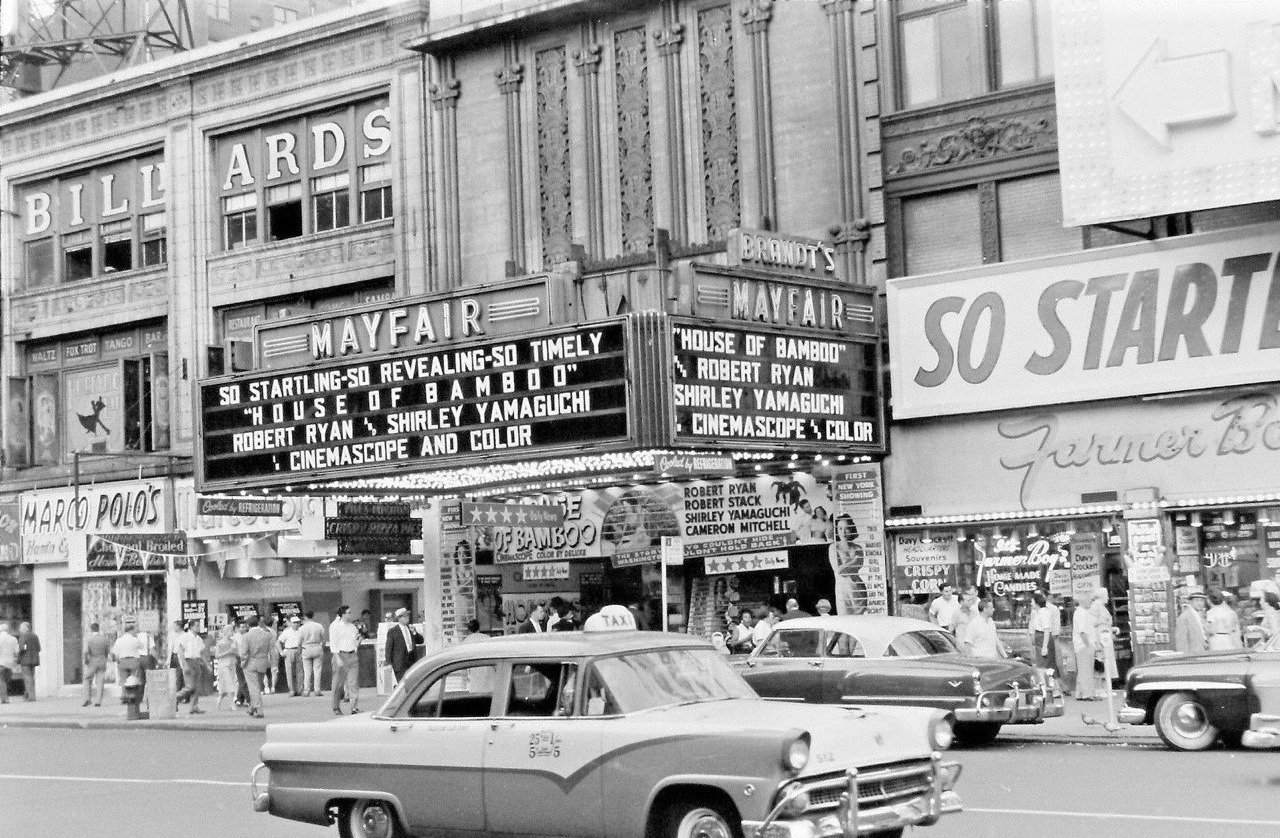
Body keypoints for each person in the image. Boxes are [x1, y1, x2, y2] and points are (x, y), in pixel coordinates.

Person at [330, 605, 362, 716]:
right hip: (341, 654)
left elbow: (354, 640)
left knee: (353, 683)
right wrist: (337, 657)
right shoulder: (335, 626)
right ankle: (335, 706)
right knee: (339, 683)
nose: (350, 614)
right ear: (342, 614)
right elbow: (333, 643)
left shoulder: (352, 627)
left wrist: (358, 642)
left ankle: (354, 707)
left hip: (352, 654)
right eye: (348, 612)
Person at [241, 615, 273, 718]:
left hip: (250, 662)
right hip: (263, 661)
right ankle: (252, 707)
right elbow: (270, 648)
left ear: (247, 625)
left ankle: (259, 709)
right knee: (258, 686)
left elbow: (243, 653)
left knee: (253, 687)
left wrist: (243, 664)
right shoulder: (267, 635)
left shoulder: (246, 636)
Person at [109, 620, 147, 707]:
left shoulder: (119, 640)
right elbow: (142, 646)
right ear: (131, 630)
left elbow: (114, 652)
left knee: (123, 680)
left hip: (122, 661)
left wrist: (117, 659)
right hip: (133, 661)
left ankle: (125, 696)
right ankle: (134, 696)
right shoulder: (134, 640)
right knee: (135, 679)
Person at [174, 621, 207, 715]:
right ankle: (174, 697)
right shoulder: (185, 637)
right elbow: (180, 652)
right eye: (196, 626)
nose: (198, 627)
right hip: (188, 660)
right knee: (190, 686)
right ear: (191, 627)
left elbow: (201, 652)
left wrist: (205, 663)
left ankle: (194, 706)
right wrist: (184, 665)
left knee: (196, 686)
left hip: (196, 661)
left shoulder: (198, 639)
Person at [1089, 588, 1118, 693]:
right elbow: (1092, 623)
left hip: (1105, 637)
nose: (1108, 598)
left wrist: (1112, 629)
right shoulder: (1096, 606)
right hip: (1100, 638)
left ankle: (1106, 688)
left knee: (1106, 661)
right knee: (1102, 661)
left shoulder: (1101, 606)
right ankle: (1100, 688)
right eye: (1106, 595)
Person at [384, 607, 422, 684]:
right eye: (405, 616)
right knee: (403, 684)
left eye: (408, 616)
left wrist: (414, 632)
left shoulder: (410, 628)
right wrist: (388, 662)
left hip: (411, 659)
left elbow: (420, 641)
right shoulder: (393, 631)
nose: (407, 618)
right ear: (399, 618)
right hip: (400, 662)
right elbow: (388, 648)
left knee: (413, 683)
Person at [1072, 598, 1099, 700]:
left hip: (1080, 645)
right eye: (1089, 600)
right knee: (1086, 671)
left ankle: (1079, 693)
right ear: (1082, 601)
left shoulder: (1078, 612)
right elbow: (1082, 632)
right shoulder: (1082, 614)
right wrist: (1088, 645)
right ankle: (1087, 694)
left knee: (1082, 670)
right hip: (1084, 645)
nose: (1090, 602)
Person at [1028, 592, 1060, 671]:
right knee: (1042, 664)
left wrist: (1045, 647)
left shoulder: (1043, 612)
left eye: (1032, 602)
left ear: (1037, 602)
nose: (1031, 604)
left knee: (1045, 665)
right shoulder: (1039, 612)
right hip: (1039, 640)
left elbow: (1047, 630)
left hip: (1043, 639)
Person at [81, 622, 111, 707]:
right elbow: (107, 651)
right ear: (98, 629)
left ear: (91, 629)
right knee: (100, 681)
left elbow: (86, 652)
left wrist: (86, 660)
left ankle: (87, 698)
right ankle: (98, 701)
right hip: (102, 661)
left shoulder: (89, 639)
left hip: (92, 661)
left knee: (87, 679)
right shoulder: (104, 639)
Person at [298, 611, 326, 697]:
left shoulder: (302, 628)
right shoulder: (319, 626)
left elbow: (299, 642)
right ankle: (317, 690)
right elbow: (324, 640)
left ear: (305, 617)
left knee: (307, 671)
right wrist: (322, 648)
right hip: (317, 647)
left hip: (306, 648)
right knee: (317, 670)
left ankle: (307, 690)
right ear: (313, 616)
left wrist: (300, 652)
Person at [214, 625, 239, 711]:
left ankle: (219, 699)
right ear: (226, 632)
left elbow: (237, 653)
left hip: (232, 664)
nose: (232, 633)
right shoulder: (220, 643)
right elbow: (217, 655)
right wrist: (228, 652)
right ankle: (231, 703)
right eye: (231, 631)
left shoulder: (233, 642)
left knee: (226, 684)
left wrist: (234, 652)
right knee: (229, 684)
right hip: (224, 665)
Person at [278, 616, 303, 697]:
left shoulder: (302, 631)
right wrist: (281, 651)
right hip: (289, 650)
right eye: (294, 623)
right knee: (289, 672)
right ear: (291, 624)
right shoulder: (287, 632)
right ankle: (291, 690)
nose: (296, 624)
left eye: (297, 622)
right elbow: (278, 642)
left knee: (299, 672)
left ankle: (300, 690)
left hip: (299, 650)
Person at [16, 622, 40, 701]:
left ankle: (31, 696)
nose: (19, 629)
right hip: (34, 660)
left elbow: (22, 648)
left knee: (27, 678)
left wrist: (18, 657)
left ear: (26, 628)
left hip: (25, 660)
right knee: (31, 678)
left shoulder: (23, 636)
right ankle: (26, 695)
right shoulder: (35, 636)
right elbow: (39, 648)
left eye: (21, 628)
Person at [0, 622, 18, 704]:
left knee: (1, 681)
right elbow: (16, 652)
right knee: (6, 681)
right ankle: (6, 697)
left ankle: (4, 698)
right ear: (7, 630)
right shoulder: (13, 639)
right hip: (10, 663)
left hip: (1, 662)